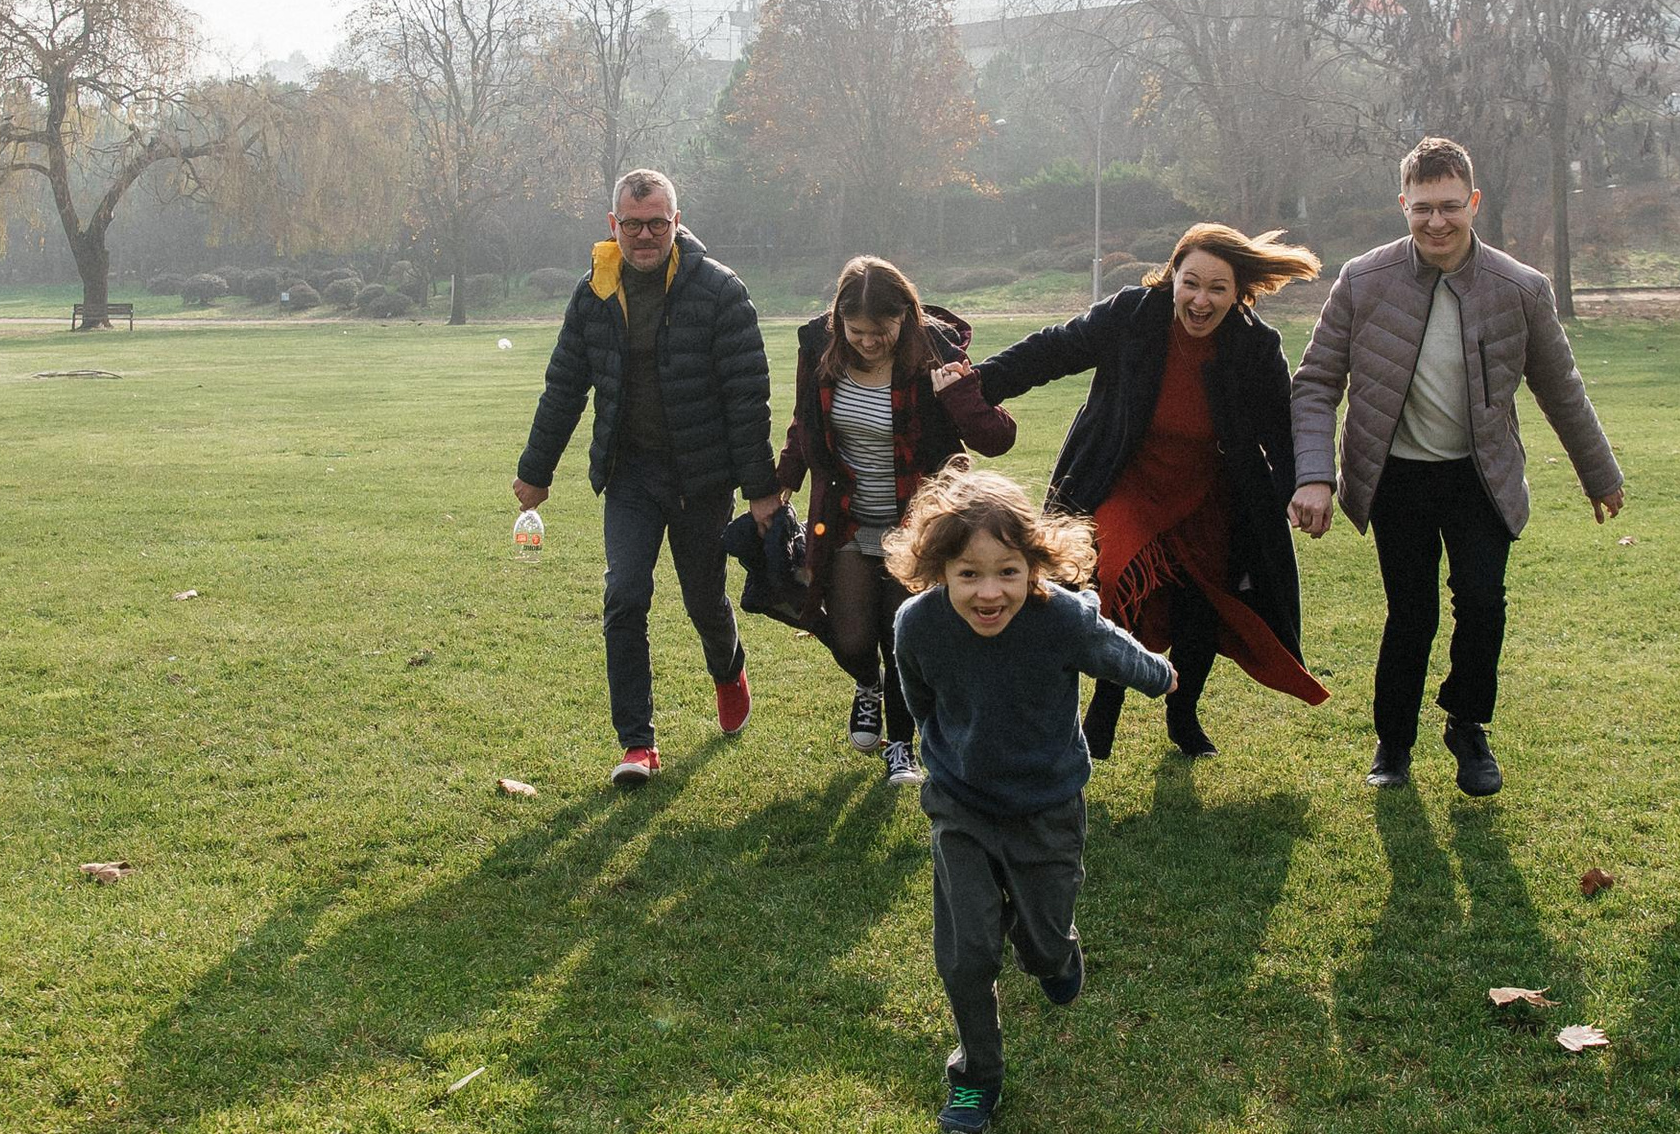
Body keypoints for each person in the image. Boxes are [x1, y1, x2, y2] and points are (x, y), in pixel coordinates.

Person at [1288, 136, 1625, 798]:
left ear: (1473, 202)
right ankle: (1394, 743)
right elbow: (1316, 381)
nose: (1435, 222)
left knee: (1481, 601)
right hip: (1398, 478)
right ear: (1403, 207)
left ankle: (1467, 726)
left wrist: (1600, 474)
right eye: (1421, 209)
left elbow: (1561, 386)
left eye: (1449, 207)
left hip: (1480, 475)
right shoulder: (1363, 280)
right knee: (1409, 613)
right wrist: (1314, 476)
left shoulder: (1521, 288)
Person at [953, 222, 1329, 760]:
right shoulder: (1134, 314)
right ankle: (1104, 710)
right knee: (1115, 579)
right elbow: (1053, 350)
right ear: (1173, 276)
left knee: (1202, 603)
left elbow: (1279, 429)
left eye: (1217, 289)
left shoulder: (1255, 345)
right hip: (1125, 476)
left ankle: (1184, 713)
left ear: (1239, 293)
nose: (1201, 300)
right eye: (1190, 282)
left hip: (1206, 490)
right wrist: (975, 384)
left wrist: (1300, 486)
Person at [889, 466, 1173, 1134]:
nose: (990, 593)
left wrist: (1159, 674)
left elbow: (1116, 652)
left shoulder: (1062, 618)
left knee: (1041, 948)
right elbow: (919, 698)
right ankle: (975, 1078)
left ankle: (1054, 953)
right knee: (966, 954)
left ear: (1035, 565)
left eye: (1007, 572)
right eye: (968, 575)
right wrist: (948, 755)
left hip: (1047, 804)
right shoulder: (917, 625)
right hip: (960, 803)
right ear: (938, 571)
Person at [513, 169, 783, 788]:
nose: (643, 236)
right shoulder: (594, 293)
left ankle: (728, 668)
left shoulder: (719, 291)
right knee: (625, 594)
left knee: (701, 599)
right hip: (630, 474)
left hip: (702, 477)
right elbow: (564, 387)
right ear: (614, 225)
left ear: (676, 221)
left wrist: (761, 488)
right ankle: (638, 744)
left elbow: (748, 397)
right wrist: (536, 471)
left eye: (656, 223)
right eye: (631, 225)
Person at [775, 256, 1017, 790]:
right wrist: (783, 480)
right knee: (850, 636)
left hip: (918, 525)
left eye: (880, 331)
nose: (867, 342)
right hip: (845, 519)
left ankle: (902, 749)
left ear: (904, 316)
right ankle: (868, 686)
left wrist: (957, 394)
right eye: (855, 331)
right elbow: (805, 423)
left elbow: (997, 438)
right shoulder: (819, 344)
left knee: (898, 635)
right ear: (838, 321)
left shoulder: (936, 352)